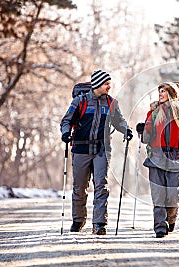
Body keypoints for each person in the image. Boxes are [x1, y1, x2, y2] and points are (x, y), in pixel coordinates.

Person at [60, 70, 133, 235]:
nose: (109, 86)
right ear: (98, 84)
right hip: (81, 149)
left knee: (101, 186)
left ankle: (100, 224)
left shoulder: (111, 103)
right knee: (79, 187)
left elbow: (119, 121)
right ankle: (78, 220)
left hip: (102, 149)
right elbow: (66, 120)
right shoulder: (80, 101)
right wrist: (65, 133)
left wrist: (126, 130)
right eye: (107, 83)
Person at [136, 82, 179, 238]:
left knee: (172, 196)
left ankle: (171, 219)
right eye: (159, 91)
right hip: (155, 158)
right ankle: (160, 227)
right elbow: (146, 139)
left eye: (163, 91)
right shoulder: (154, 113)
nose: (160, 94)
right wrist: (142, 131)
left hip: (173, 159)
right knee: (158, 195)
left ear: (171, 93)